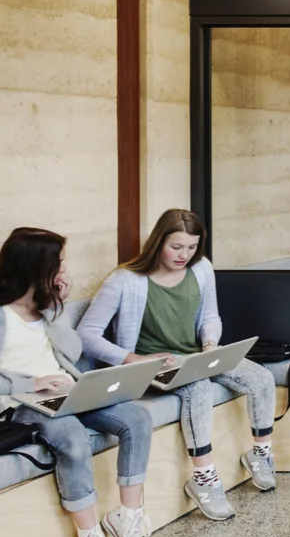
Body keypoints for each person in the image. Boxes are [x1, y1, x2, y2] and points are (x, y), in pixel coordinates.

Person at [0, 227, 155, 537]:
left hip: (67, 393)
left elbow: (73, 353)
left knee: (136, 417)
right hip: (18, 404)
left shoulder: (46, 309)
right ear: (34, 266)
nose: (63, 271)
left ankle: (127, 517)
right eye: (59, 263)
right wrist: (29, 384)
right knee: (70, 434)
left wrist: (55, 311)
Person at [79, 209, 277, 520]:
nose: (184, 255)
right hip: (153, 365)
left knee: (261, 377)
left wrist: (209, 345)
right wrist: (135, 359)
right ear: (158, 242)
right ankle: (203, 477)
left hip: (197, 355)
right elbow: (87, 334)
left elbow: (210, 316)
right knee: (198, 388)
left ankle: (261, 453)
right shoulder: (124, 281)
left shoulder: (201, 269)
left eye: (192, 247)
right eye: (176, 247)